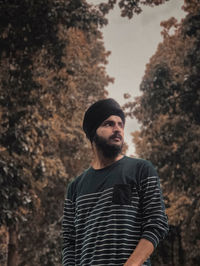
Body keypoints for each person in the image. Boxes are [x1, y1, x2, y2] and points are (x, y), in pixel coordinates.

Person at [62, 98, 169, 266]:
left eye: (120, 124)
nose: (117, 129)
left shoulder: (141, 170)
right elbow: (69, 242)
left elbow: (156, 224)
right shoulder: (75, 187)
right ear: (93, 132)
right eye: (109, 124)